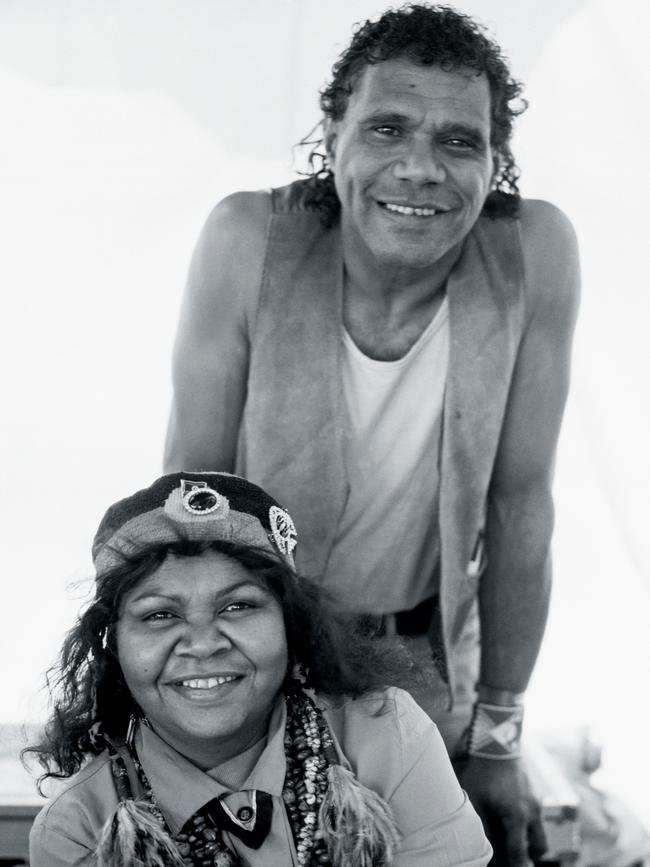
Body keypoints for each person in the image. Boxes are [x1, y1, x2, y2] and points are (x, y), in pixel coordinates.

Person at [163, 4, 580, 863]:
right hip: (259, 649)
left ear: (495, 160)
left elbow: (521, 507)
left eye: (459, 141)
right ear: (333, 133)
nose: (420, 167)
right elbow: (189, 501)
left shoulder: (533, 252)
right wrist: (189, 709)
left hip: (424, 653)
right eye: (387, 126)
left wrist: (499, 734)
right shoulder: (251, 239)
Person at [27, 471, 491, 867]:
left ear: (291, 624)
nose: (204, 644)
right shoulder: (78, 828)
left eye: (238, 606)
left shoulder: (387, 733)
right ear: (113, 645)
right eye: (159, 615)